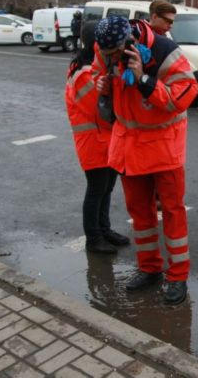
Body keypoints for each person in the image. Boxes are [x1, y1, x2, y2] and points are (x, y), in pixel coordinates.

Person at [92, 16, 198, 305]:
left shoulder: (165, 51)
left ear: (130, 43)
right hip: (129, 145)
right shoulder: (104, 48)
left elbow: (183, 97)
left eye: (114, 54)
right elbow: (96, 72)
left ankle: (178, 276)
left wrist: (143, 79)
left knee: (173, 213)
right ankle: (150, 268)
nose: (109, 59)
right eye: (105, 54)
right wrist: (101, 84)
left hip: (164, 147)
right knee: (140, 214)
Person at [64, 20, 130, 254]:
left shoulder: (91, 68)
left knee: (107, 188)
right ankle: (93, 238)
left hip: (106, 140)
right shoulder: (82, 73)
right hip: (93, 143)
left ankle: (105, 230)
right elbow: (99, 108)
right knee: (96, 190)